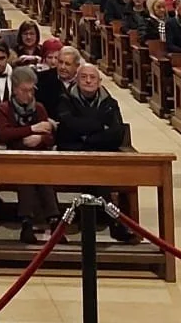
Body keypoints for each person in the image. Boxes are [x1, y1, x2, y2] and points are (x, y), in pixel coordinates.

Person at [53, 65, 134, 242]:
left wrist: (85, 137)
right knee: (94, 169)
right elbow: (67, 128)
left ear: (99, 82)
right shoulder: (65, 100)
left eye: (92, 78)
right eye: (84, 77)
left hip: (101, 157)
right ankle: (112, 220)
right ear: (77, 79)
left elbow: (117, 134)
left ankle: (95, 217)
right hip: (73, 157)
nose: (88, 81)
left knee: (99, 169)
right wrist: (98, 127)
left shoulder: (110, 103)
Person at [0, 66, 62, 243]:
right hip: (14, 158)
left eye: (32, 90)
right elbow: (5, 134)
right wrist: (32, 129)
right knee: (25, 175)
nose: (29, 95)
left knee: (40, 174)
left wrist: (39, 138)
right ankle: (27, 223)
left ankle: (54, 222)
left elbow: (50, 137)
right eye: (25, 91)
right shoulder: (4, 108)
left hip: (38, 158)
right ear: (15, 90)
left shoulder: (39, 108)